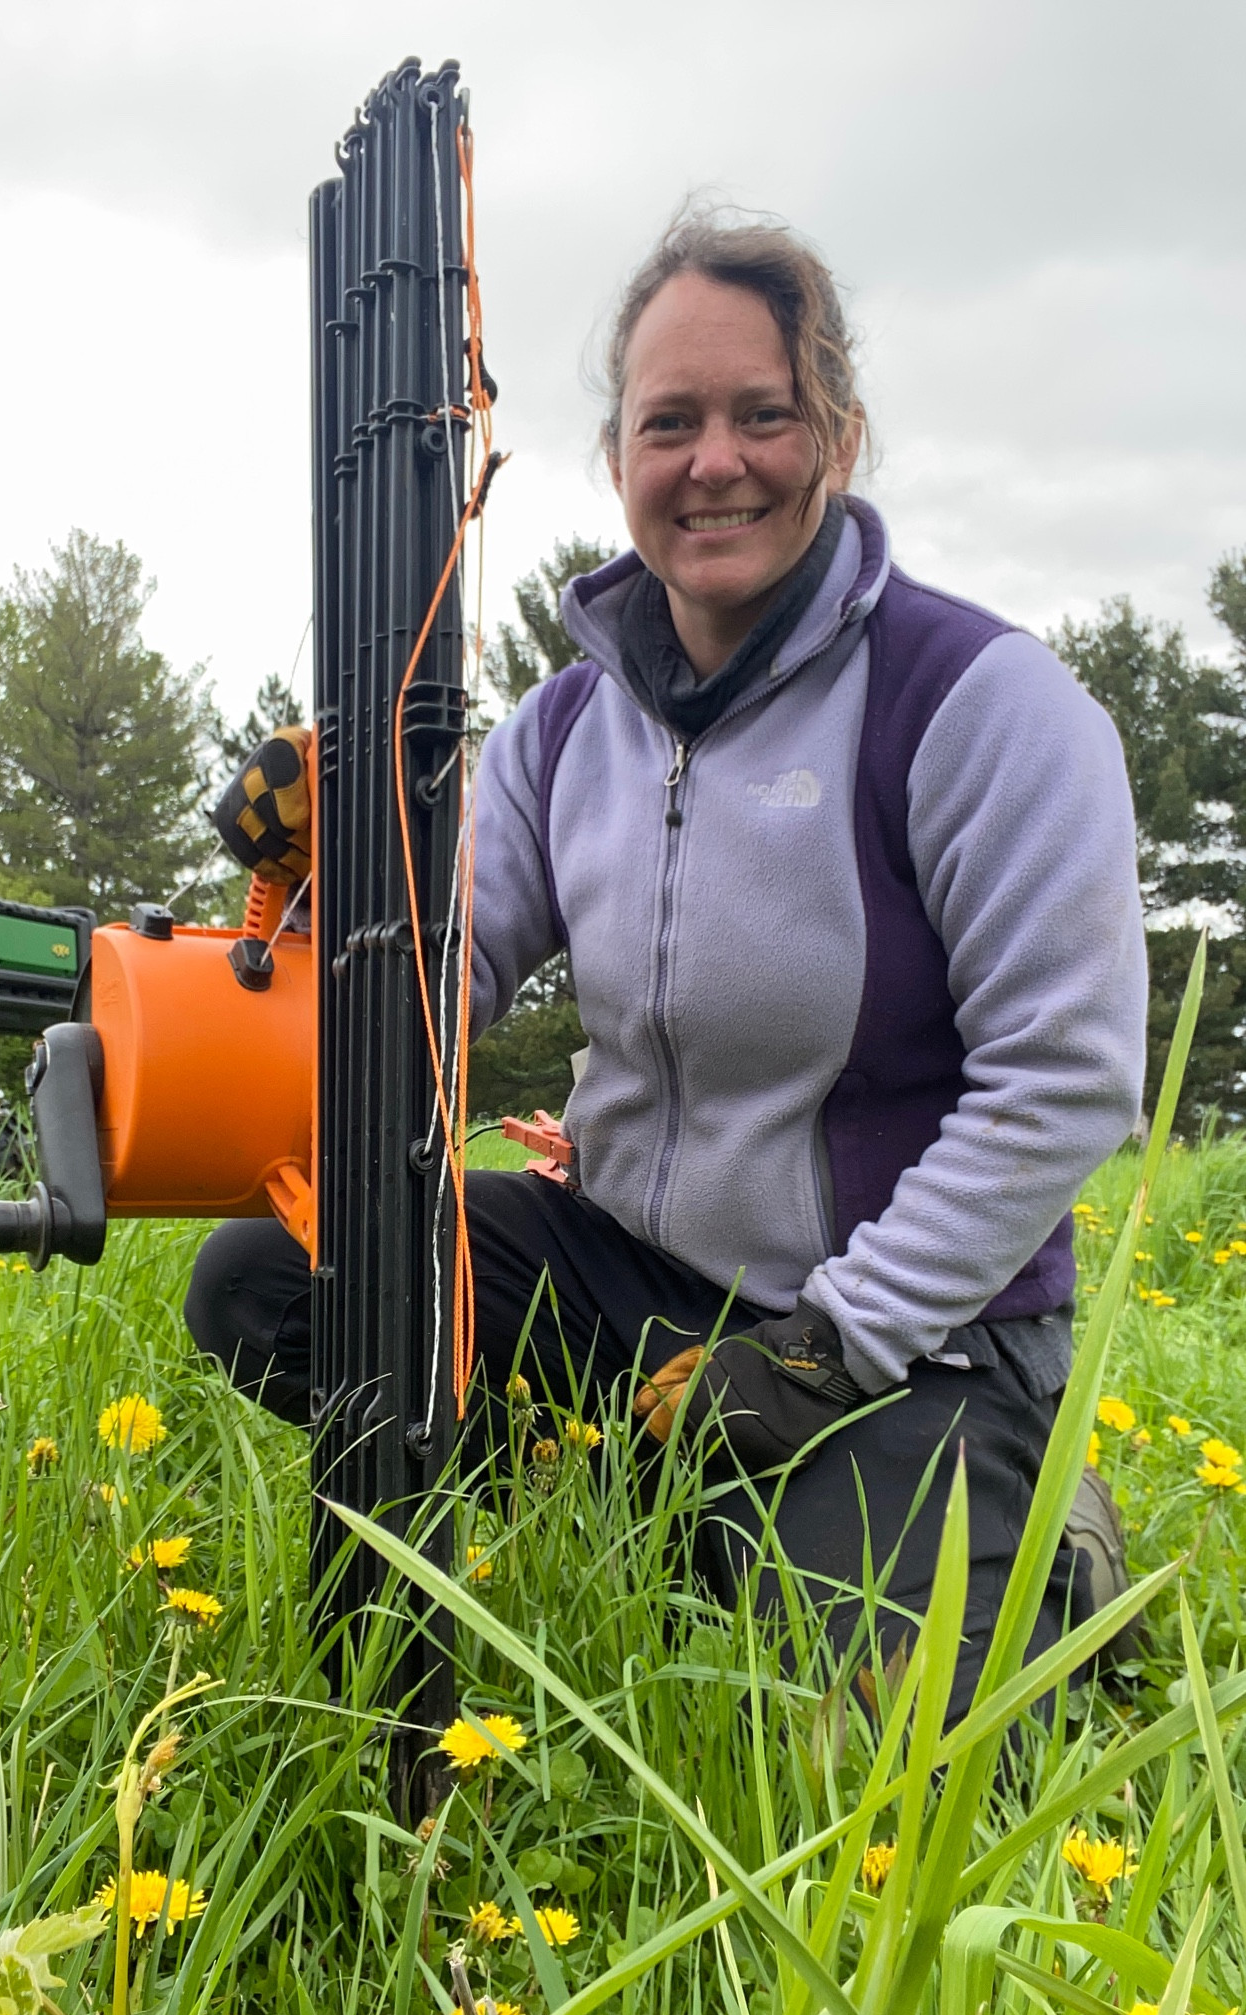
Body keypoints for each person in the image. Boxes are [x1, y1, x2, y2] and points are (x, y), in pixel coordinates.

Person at [186, 214, 1148, 1719]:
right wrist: (327, 885)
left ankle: (1030, 1525)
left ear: (840, 435)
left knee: (880, 1747)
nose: (716, 462)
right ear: (615, 453)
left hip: (910, 1335)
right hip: (625, 1275)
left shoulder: (981, 706)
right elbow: (433, 995)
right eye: (670, 422)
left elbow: (1067, 1081)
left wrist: (830, 1348)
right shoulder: (565, 729)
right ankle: (656, 1499)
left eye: (764, 414)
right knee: (270, 1282)